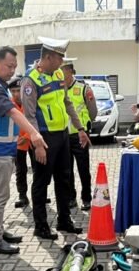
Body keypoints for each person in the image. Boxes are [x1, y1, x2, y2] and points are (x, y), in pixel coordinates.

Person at [0, 46, 47, 255]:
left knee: (0, 194)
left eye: (15, 67)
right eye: (9, 66)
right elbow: (12, 112)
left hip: (2, 149)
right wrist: (34, 134)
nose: (12, 71)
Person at [20, 37, 90, 240]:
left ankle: (64, 220)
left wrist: (80, 129)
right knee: (41, 182)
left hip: (62, 135)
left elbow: (67, 103)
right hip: (44, 137)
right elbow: (29, 115)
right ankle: (41, 226)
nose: (62, 63)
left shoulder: (59, 74)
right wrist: (37, 143)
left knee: (64, 179)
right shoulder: (30, 80)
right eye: (60, 58)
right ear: (48, 57)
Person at [62, 61, 97, 211]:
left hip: (79, 135)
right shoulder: (58, 88)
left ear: (69, 71)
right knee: (66, 169)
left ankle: (86, 198)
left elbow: (93, 111)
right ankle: (71, 198)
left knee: (83, 168)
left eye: (62, 69)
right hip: (64, 136)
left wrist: (85, 126)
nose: (59, 72)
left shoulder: (83, 88)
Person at [11, 78, 33, 209]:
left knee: (38, 168)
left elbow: (35, 119)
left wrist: (28, 136)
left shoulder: (30, 101)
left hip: (32, 140)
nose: (15, 94)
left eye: (18, 91)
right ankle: (22, 195)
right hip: (18, 142)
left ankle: (40, 193)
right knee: (20, 170)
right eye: (12, 91)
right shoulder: (8, 103)